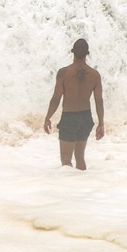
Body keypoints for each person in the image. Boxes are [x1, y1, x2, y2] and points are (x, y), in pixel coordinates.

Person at [43, 38, 105, 170]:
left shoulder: (64, 73)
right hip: (85, 118)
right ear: (88, 53)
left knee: (66, 161)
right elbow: (99, 101)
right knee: (80, 158)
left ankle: (69, 189)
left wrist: (48, 117)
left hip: (69, 117)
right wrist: (101, 123)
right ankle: (81, 187)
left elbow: (56, 99)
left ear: (72, 52)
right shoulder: (95, 75)